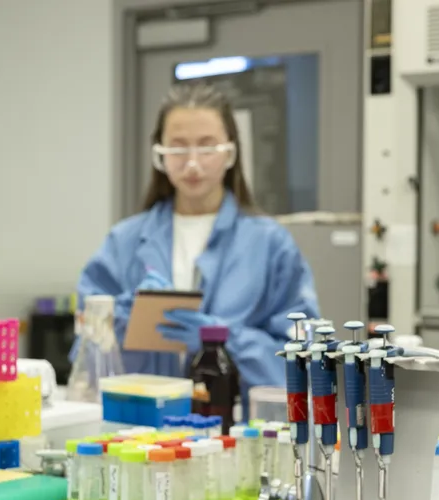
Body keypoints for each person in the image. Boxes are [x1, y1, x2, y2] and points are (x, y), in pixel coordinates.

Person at [77, 83, 319, 389]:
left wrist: (225, 341)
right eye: (178, 147)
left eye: (207, 146)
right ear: (160, 154)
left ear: (230, 152)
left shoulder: (271, 245)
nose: (192, 163)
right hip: (138, 426)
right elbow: (83, 361)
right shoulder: (122, 242)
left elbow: (303, 362)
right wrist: (121, 320)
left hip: (234, 427)